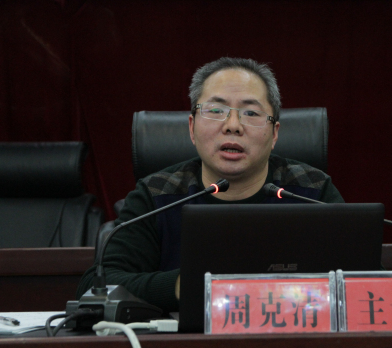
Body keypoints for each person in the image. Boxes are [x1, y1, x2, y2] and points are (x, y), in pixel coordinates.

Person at [77, 57, 344, 312]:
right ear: (192, 127)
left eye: (251, 113)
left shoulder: (312, 191)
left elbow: (359, 278)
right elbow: (95, 286)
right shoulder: (157, 196)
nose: (233, 126)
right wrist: (185, 285)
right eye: (216, 110)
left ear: (274, 134)